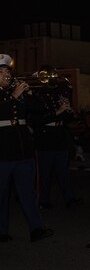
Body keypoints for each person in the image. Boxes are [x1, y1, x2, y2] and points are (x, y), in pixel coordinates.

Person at [0, 54, 53, 242]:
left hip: (23, 149)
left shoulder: (18, 93)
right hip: (2, 151)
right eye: (1, 71)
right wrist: (14, 96)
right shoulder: (10, 95)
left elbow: (41, 109)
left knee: (28, 192)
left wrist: (30, 94)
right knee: (1, 194)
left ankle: (36, 229)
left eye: (7, 70)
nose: (6, 74)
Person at [31, 74, 82, 210]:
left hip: (59, 135)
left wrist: (69, 110)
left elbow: (66, 119)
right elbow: (36, 120)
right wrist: (57, 111)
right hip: (45, 137)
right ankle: (43, 200)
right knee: (44, 173)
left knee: (63, 171)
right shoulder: (35, 98)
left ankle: (69, 198)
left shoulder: (58, 96)